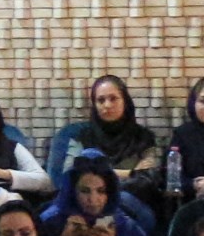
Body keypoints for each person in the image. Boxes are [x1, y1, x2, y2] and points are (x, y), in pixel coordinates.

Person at [55, 73, 167, 209]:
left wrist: (96, 176)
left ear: (125, 101)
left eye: (113, 99)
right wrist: (130, 173)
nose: (107, 105)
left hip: (133, 206)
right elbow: (69, 177)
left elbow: (150, 181)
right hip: (88, 206)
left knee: (123, 199)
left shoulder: (143, 138)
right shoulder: (83, 137)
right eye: (101, 100)